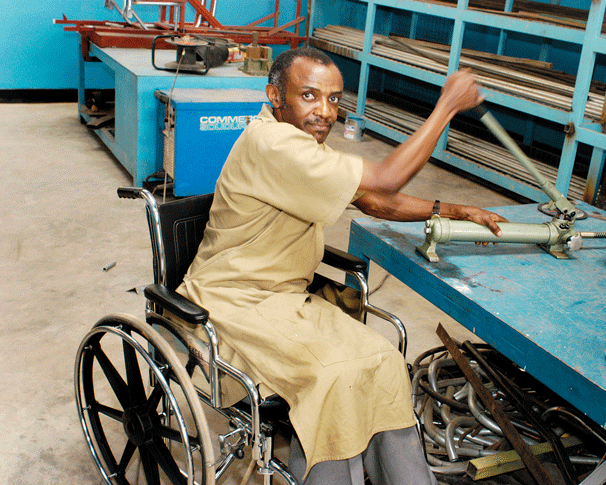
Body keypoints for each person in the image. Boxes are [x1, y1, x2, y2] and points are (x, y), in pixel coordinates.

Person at [176, 47, 506, 485]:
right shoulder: (272, 144)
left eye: (333, 99)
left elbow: (375, 201)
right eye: (309, 96)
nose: (325, 111)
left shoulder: (300, 146)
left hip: (286, 299)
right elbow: (387, 178)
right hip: (231, 300)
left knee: (385, 361)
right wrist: (446, 107)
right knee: (331, 377)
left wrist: (455, 210)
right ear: (275, 95)